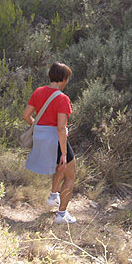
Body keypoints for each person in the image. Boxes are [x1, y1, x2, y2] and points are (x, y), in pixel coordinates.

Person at [22, 62, 77, 224]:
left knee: (59, 168)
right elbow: (61, 128)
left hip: (41, 138)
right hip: (57, 140)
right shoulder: (63, 99)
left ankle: (54, 196)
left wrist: (40, 129)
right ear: (64, 78)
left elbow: (26, 115)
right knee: (70, 176)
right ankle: (62, 215)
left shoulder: (38, 92)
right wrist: (64, 154)